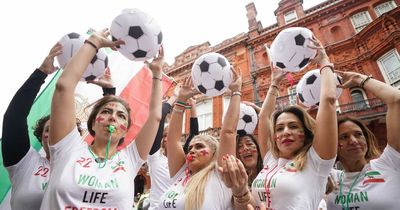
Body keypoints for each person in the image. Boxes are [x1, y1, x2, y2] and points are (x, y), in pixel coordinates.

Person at [40, 29, 163, 210]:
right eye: (106, 112)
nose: (113, 117)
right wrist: (93, 44)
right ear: (93, 122)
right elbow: (64, 87)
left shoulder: (130, 159)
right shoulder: (68, 147)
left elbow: (155, 116)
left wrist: (157, 72)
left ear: (126, 130)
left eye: (121, 115)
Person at [248, 39, 339, 209]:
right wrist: (274, 83)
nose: (286, 132)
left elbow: (328, 101)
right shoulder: (271, 160)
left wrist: (323, 61)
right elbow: (264, 116)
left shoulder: (317, 162)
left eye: (294, 126)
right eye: (280, 128)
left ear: (306, 133)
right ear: (274, 137)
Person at [2, 43, 85, 209]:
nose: (55, 133)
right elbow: (13, 118)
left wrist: (109, 92)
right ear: (42, 137)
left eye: (62, 129)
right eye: (49, 129)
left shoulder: (84, 168)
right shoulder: (25, 162)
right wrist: (40, 73)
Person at [157, 69, 242, 210]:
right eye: (190, 148)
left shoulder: (220, 174)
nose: (192, 151)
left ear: (215, 154)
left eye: (199, 147)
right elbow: (173, 140)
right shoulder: (181, 173)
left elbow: (228, 132)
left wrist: (236, 92)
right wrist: (181, 100)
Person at [326, 70, 400, 210]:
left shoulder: (389, 164)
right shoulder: (332, 179)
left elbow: (396, 100)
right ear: (334, 145)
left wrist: (358, 78)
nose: (354, 140)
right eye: (344, 137)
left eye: (358, 134)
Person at [147, 88, 201, 210]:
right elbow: (159, 119)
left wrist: (193, 106)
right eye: (164, 136)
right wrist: (174, 97)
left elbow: (194, 135)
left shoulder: (182, 157)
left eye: (170, 135)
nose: (168, 139)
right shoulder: (154, 157)